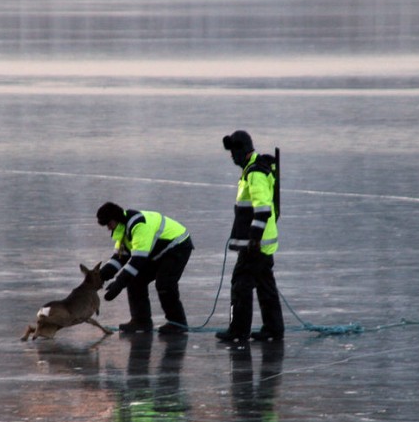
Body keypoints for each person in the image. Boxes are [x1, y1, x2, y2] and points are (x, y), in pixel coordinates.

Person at [216, 130, 285, 342]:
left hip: (255, 244)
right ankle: (274, 329)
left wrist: (254, 239)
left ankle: (238, 331)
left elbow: (262, 209)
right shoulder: (255, 169)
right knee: (265, 285)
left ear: (243, 151)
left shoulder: (255, 173)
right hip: (262, 242)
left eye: (234, 152)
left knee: (240, 285)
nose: (232, 157)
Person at [96, 202, 194, 334]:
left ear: (116, 219)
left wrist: (118, 284)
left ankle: (178, 323)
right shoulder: (123, 229)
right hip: (157, 251)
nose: (108, 228)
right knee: (135, 281)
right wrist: (100, 276)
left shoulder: (139, 225)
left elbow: (137, 261)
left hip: (177, 246)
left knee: (165, 283)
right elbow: (120, 257)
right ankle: (141, 321)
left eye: (108, 224)